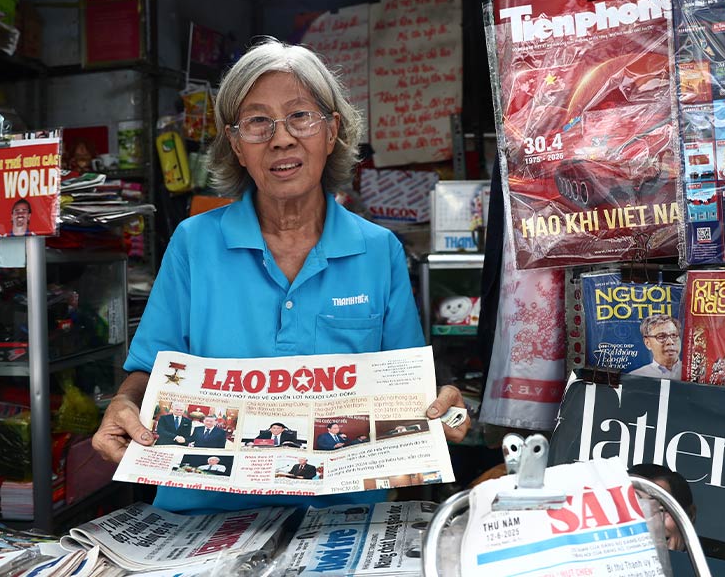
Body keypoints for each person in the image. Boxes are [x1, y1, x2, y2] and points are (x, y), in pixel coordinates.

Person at [91, 38, 470, 514]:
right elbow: (150, 372)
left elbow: (407, 386)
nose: (282, 138)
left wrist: (442, 406)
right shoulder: (194, 243)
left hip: (341, 512)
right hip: (204, 512)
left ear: (331, 132)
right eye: (257, 121)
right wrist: (124, 403)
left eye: (300, 116)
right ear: (236, 145)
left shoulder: (379, 251)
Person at [628, 463, 696, 552]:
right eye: (634, 510)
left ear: (689, 516)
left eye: (660, 510)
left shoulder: (706, 565)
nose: (649, 526)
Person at [630, 315, 682, 380]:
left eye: (674, 335)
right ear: (647, 343)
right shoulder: (636, 377)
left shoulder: (694, 372)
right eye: (661, 336)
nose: (670, 342)